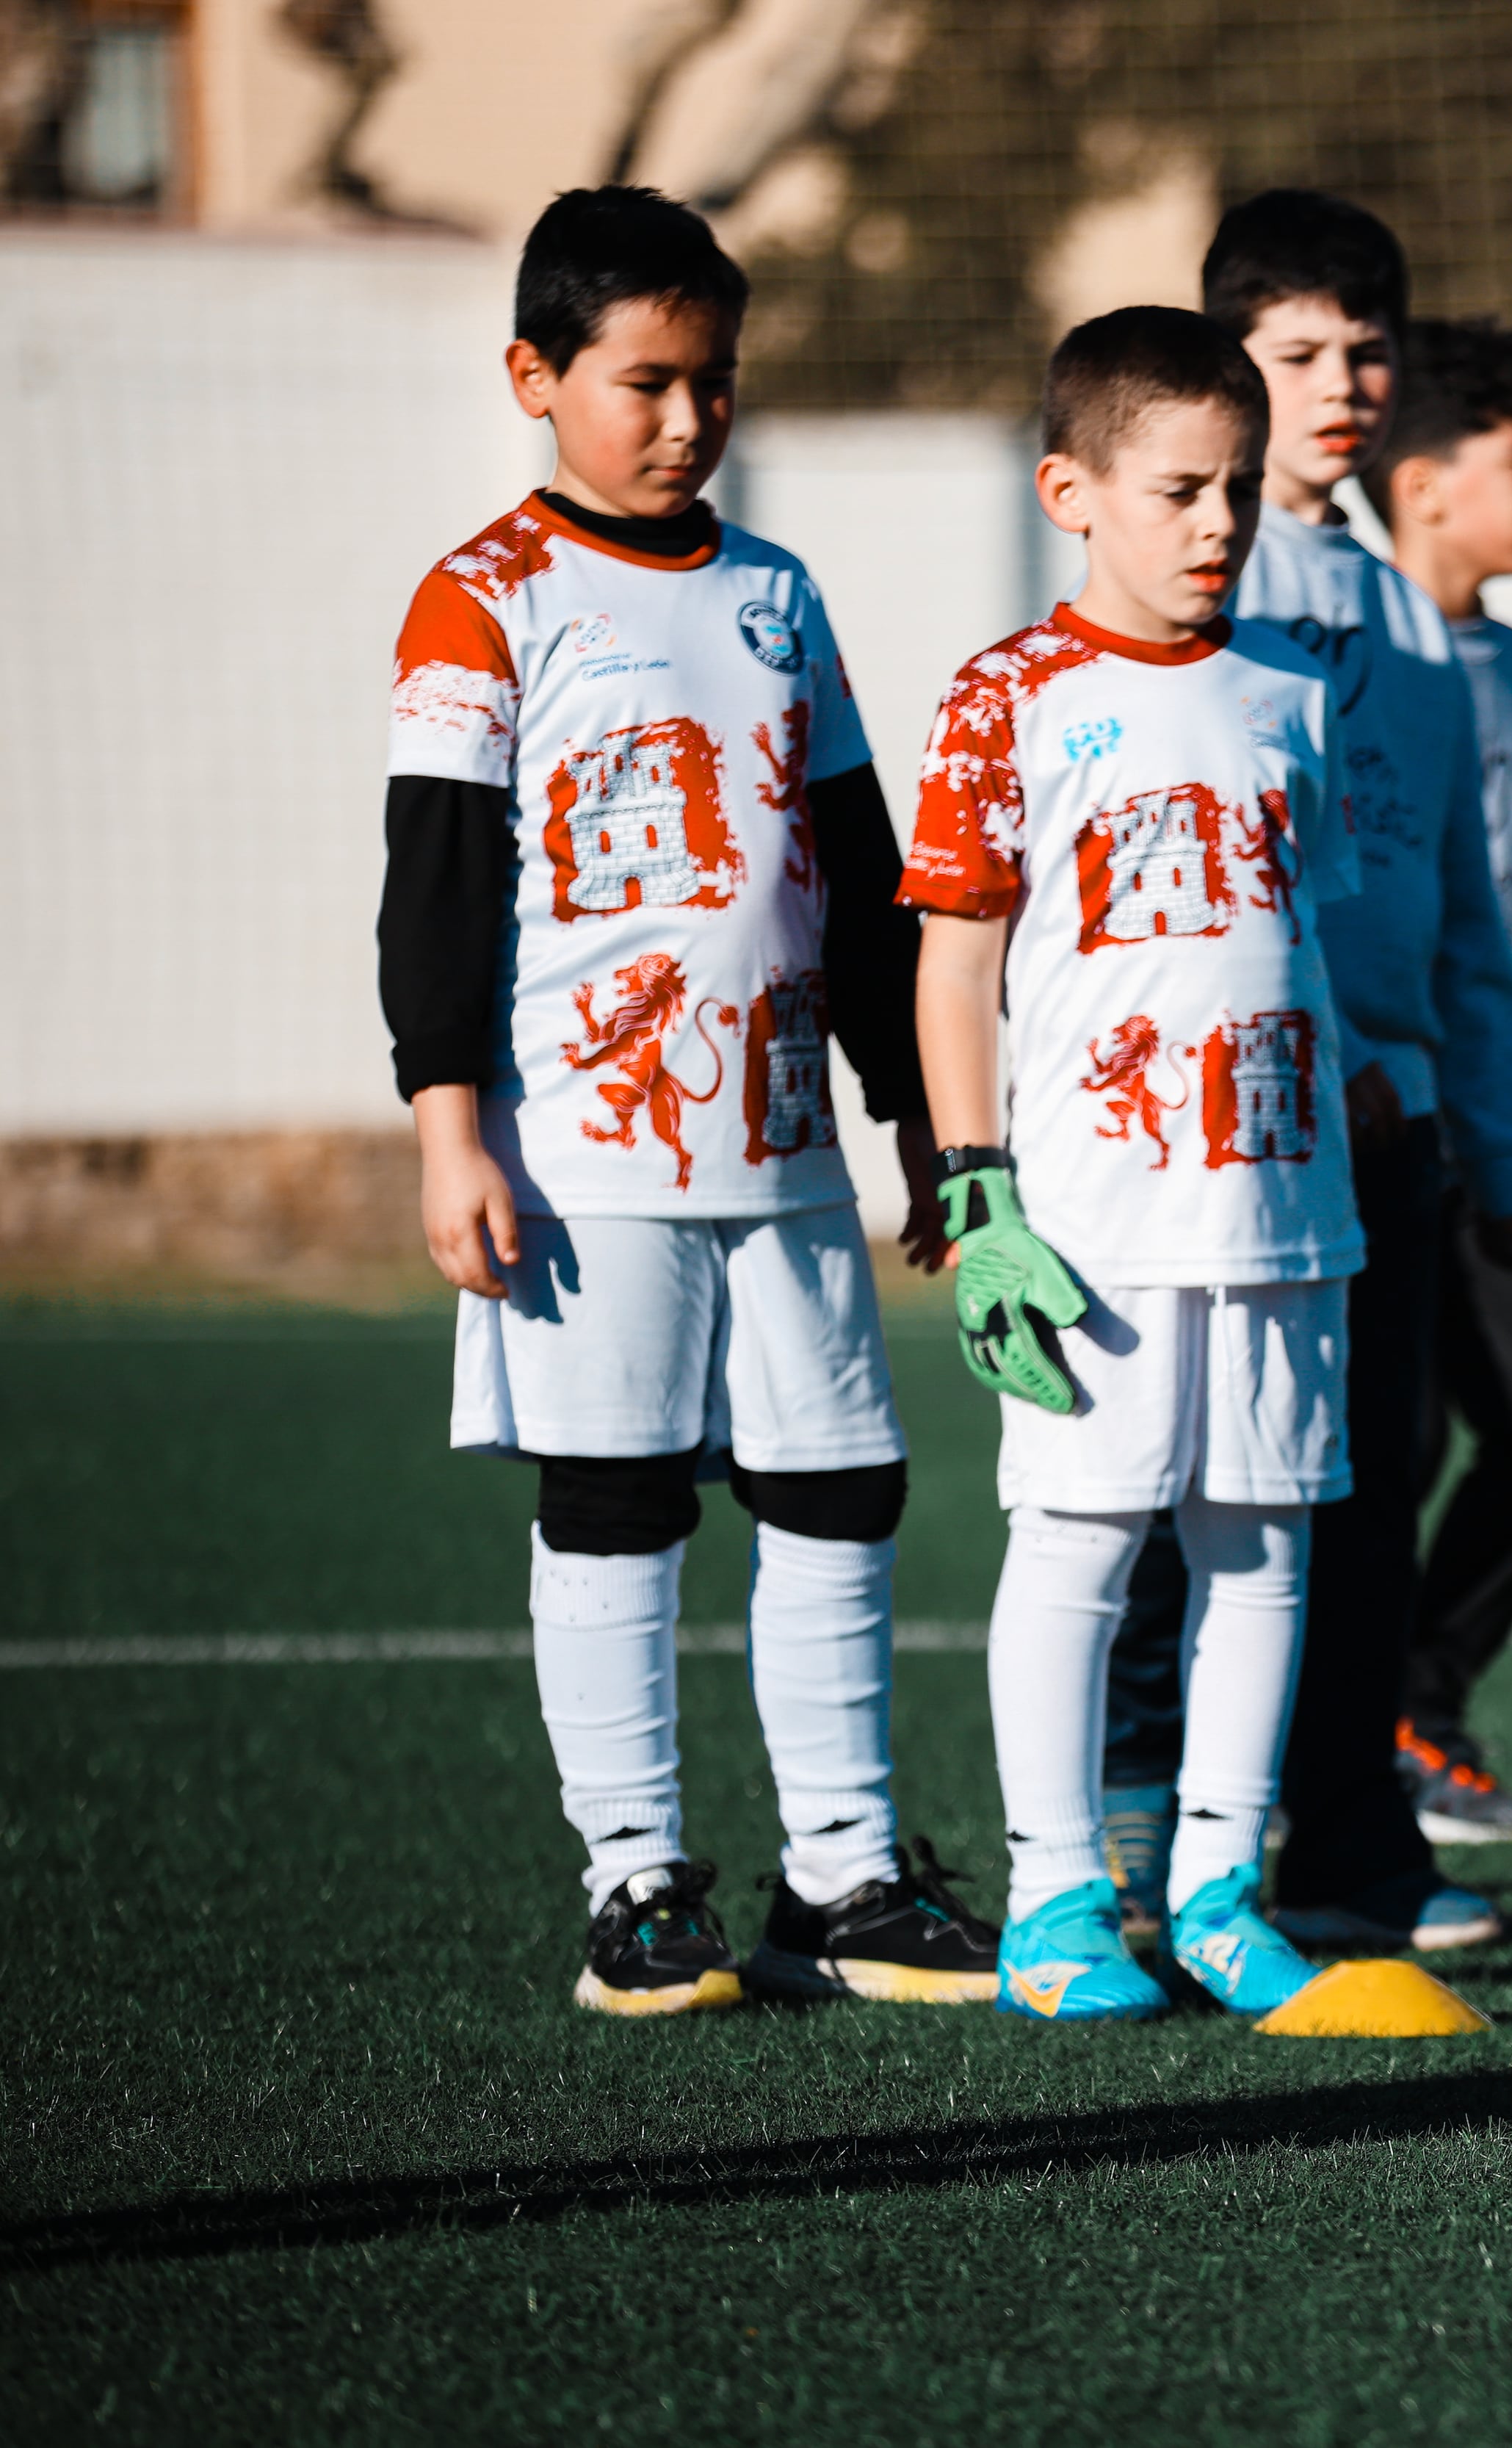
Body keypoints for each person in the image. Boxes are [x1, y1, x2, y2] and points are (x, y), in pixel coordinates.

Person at [377, 186, 991, 2015]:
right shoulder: (485, 600)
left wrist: (918, 1121)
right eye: (643, 382)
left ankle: (847, 1876)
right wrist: (448, 1121)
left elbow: (860, 868)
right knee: (620, 1494)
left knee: (842, 1486)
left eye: (712, 383)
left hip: (786, 1145)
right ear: (534, 376)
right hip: (586, 1153)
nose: (682, 419)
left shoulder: (776, 593)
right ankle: (637, 1884)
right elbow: (435, 880)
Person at [902, 306, 1360, 2024]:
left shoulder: (1298, 688)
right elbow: (953, 960)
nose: (1218, 522)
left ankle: (1223, 1886)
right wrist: (975, 1184)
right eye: (1178, 488)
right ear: (1071, 492)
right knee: (1083, 1542)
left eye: (1235, 486)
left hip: (1286, 1201)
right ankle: (1053, 1898)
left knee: (1260, 1546)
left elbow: (1307, 936)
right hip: (1096, 1221)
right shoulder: (1008, 696)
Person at [1148, 188, 1512, 1958]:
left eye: (1366, 350)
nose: (1340, 382)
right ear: (1229, 354)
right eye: (1297, 351)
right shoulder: (1206, 585)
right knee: (1208, 1481)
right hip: (1243, 1117)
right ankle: (1147, 1814)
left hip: (1396, 1129)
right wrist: (1332, 1045)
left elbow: (1464, 906)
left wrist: (1500, 1132)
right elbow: (1232, 876)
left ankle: (1351, 1844)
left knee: (1372, 1481)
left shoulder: (1412, 618)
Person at [1358, 316, 1512, 1846]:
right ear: (1427, 481)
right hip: (1368, 1116)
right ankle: (1292, 1764)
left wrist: (1508, 1134)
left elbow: (1486, 923)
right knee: (1385, 1447)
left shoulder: (1511, 666)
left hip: (1465, 1125)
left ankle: (1411, 1704)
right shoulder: (1349, 649)